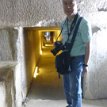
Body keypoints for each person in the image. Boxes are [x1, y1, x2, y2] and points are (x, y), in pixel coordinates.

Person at [60, 0, 92, 107]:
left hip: (77, 59)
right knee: (67, 87)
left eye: (71, 4)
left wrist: (85, 64)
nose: (68, 7)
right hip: (66, 59)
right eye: (65, 3)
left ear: (76, 4)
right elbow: (65, 40)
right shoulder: (63, 23)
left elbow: (88, 45)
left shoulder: (83, 23)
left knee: (75, 89)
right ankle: (70, 105)